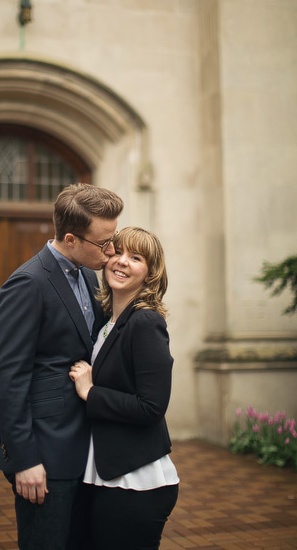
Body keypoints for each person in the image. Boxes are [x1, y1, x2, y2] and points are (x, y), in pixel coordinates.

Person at [0, 182, 124, 550]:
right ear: (70, 238)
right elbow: (8, 378)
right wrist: (25, 460)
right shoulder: (27, 284)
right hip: (44, 456)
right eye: (104, 243)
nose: (112, 251)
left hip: (85, 448)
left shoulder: (87, 273)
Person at [69, 226, 178, 550]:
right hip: (108, 476)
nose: (122, 262)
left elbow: (151, 406)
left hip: (137, 482)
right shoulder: (108, 323)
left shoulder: (146, 322)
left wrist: (91, 392)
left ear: (150, 273)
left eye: (136, 257)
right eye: (117, 252)